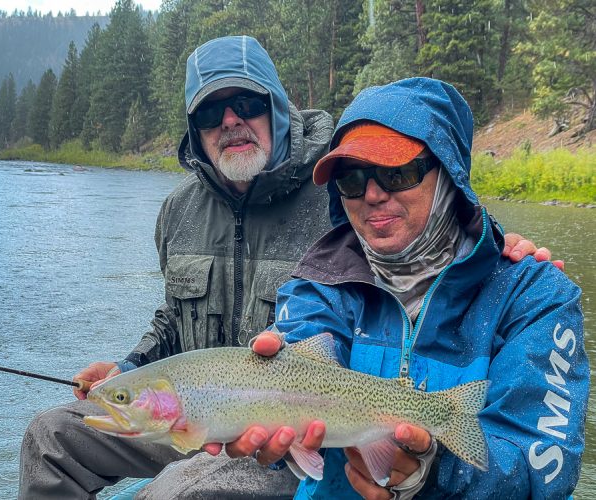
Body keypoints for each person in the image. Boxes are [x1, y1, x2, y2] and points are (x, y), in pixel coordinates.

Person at [18, 35, 559, 499]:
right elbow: (171, 317)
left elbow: (429, 225)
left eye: (247, 105)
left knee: (181, 487)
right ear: (194, 129)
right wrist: (127, 371)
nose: (370, 196)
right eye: (211, 113)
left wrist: (492, 243)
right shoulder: (180, 209)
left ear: (277, 106)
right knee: (49, 436)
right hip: (199, 410)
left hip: (276, 420)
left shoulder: (332, 207)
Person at [222, 77, 588, 499]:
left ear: (448, 173)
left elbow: (544, 473)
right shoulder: (317, 285)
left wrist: (433, 471)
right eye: (352, 179)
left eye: (397, 173)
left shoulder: (535, 296)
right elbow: (304, 353)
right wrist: (275, 411)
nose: (372, 194)